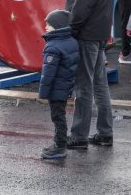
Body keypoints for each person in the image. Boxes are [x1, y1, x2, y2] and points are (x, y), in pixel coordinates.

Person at [65, 0, 115, 149]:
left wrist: (71, 28)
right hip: (99, 30)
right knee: (99, 83)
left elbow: (83, 2)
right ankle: (104, 133)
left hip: (87, 31)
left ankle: (79, 136)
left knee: (84, 86)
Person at [38, 9, 79, 160]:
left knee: (57, 117)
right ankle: (58, 143)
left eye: (49, 24)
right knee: (60, 115)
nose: (46, 27)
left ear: (58, 26)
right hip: (66, 86)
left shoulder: (53, 46)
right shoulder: (72, 42)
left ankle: (60, 146)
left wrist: (43, 93)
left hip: (56, 89)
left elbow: (48, 73)